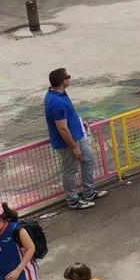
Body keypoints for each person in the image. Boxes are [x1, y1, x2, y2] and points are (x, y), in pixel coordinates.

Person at [45, 69, 107, 210]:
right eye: (68, 77)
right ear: (63, 81)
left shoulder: (59, 93)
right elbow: (62, 128)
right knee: (70, 170)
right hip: (68, 142)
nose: (69, 78)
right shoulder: (56, 102)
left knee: (89, 159)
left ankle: (89, 192)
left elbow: (70, 113)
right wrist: (74, 147)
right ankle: (73, 200)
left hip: (77, 135)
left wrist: (79, 122)